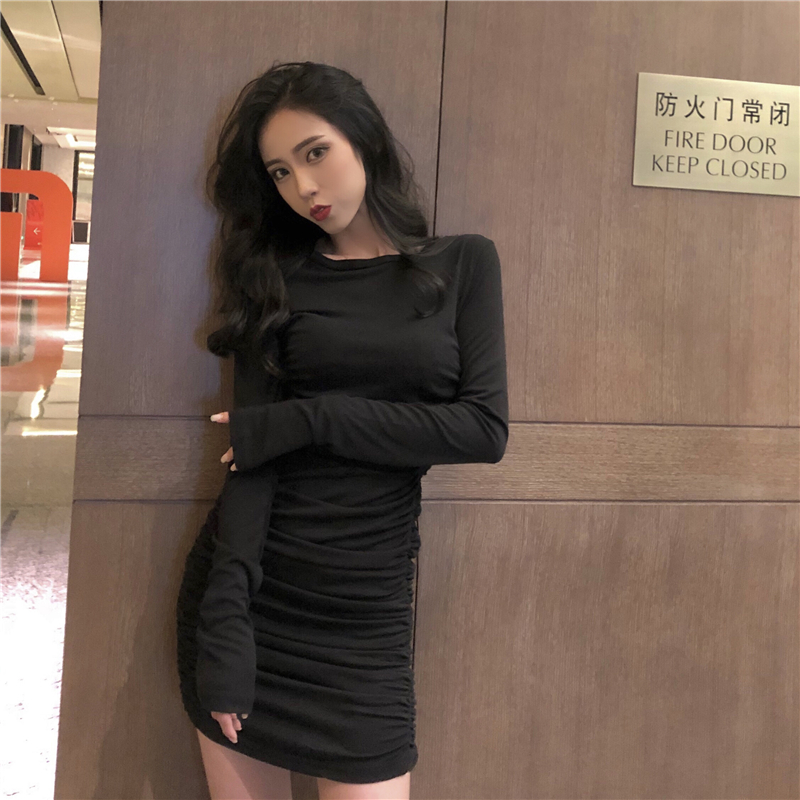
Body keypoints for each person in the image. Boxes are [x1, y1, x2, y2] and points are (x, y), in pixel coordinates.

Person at [175, 60, 508, 800]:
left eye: (315, 153)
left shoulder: (463, 264)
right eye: (280, 172)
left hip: (367, 610)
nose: (304, 186)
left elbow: (483, 430)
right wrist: (225, 630)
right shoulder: (274, 279)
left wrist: (312, 417)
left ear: (366, 138)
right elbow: (250, 463)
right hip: (260, 598)